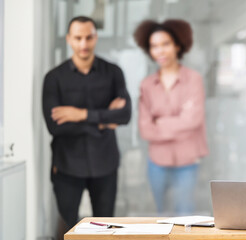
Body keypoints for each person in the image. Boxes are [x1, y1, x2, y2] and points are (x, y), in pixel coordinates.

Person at [42, 16, 131, 228]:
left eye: (89, 37)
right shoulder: (54, 78)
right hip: (67, 165)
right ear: (69, 39)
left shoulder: (113, 72)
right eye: (78, 38)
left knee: (106, 227)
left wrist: (80, 114)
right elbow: (55, 127)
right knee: (68, 226)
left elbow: (124, 115)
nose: (84, 44)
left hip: (105, 163)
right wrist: (102, 121)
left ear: (96, 37)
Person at [134, 19, 208, 216]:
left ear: (177, 45)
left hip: (187, 161)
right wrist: (177, 123)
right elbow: (145, 129)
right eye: (154, 46)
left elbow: (193, 120)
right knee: (162, 215)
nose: (160, 51)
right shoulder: (147, 85)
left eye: (165, 44)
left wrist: (160, 123)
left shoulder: (193, 79)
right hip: (157, 162)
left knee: (186, 215)